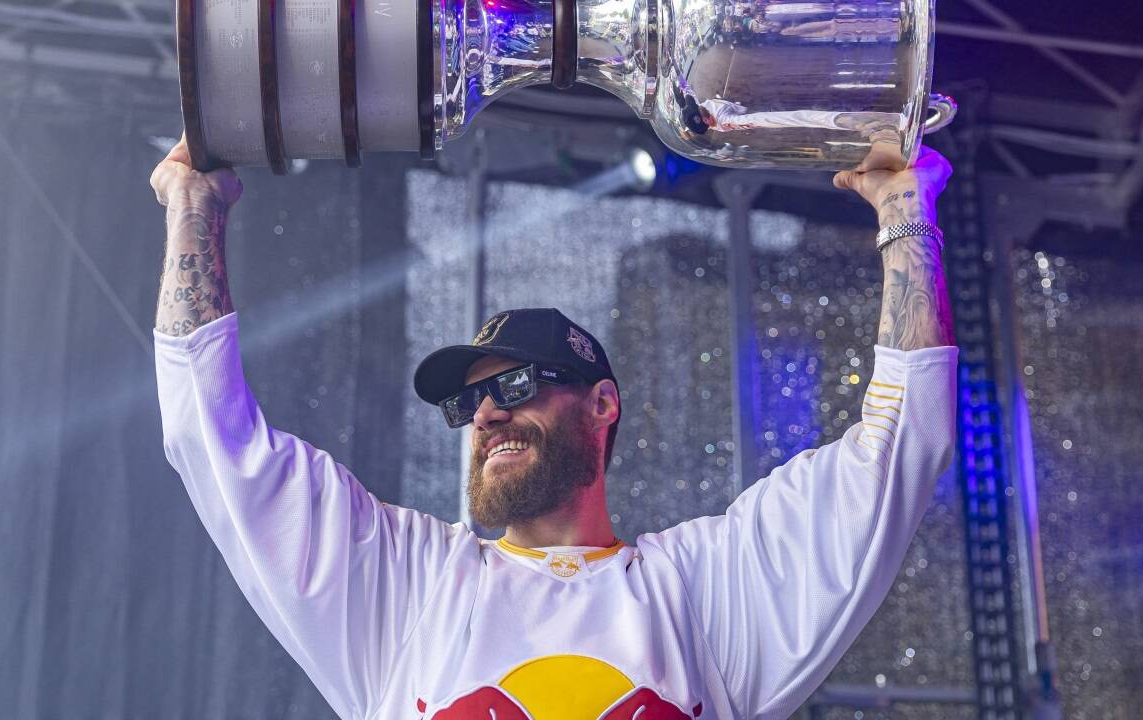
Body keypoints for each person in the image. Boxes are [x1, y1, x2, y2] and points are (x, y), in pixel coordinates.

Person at [149, 136, 956, 720]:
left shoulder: (702, 594)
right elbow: (216, 445)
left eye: (517, 384)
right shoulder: (408, 592)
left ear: (601, 405)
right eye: (469, 403)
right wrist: (194, 207)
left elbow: (898, 448)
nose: (488, 413)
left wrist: (906, 210)